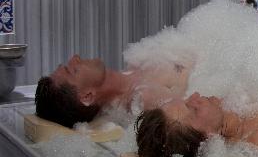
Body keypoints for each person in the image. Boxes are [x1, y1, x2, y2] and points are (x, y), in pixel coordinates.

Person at [135, 88, 258, 157]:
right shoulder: (256, 140)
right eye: (193, 109)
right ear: (207, 137)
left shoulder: (229, 103)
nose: (195, 95)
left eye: (186, 99)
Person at [35, 54, 193, 128]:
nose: (75, 58)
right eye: (72, 70)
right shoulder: (142, 98)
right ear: (88, 96)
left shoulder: (134, 64)